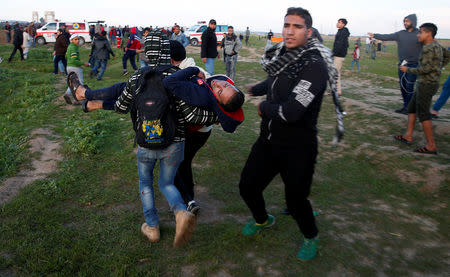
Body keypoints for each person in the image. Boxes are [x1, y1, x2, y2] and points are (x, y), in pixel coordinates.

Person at [68, 35, 244, 247]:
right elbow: (190, 117)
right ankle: (180, 212)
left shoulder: (137, 77)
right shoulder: (179, 78)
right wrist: (215, 118)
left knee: (146, 183)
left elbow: (123, 106)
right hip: (174, 143)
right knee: (166, 182)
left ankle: (152, 227)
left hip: (146, 142)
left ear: (147, 53)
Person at [239, 7, 344, 262]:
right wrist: (255, 89)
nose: (289, 30)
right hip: (268, 141)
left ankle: (311, 236)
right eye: (287, 25)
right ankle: (263, 220)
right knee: (247, 186)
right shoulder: (285, 57)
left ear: (308, 32)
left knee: (296, 201)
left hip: (298, 146)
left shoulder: (315, 66)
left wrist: (264, 107)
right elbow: (275, 81)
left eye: (297, 26)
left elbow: (293, 111)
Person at [395, 23, 450, 154]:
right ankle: (408, 135)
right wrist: (439, 66)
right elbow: (448, 56)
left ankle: (431, 145)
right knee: (412, 108)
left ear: (428, 33)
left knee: (424, 115)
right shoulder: (437, 45)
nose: (418, 35)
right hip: (427, 83)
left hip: (427, 84)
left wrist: (406, 69)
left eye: (420, 32)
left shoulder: (428, 48)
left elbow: (425, 69)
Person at [369, 14, 422, 115]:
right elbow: (387, 36)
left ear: (413, 22)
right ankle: (406, 106)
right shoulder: (400, 34)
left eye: (407, 21)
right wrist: (375, 35)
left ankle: (410, 109)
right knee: (403, 86)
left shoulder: (419, 34)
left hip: (414, 65)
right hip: (402, 65)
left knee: (409, 87)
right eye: (404, 21)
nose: (405, 23)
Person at [64, 34, 89, 104]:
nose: (77, 41)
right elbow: (74, 60)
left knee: (72, 83)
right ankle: (78, 100)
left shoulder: (69, 47)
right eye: (75, 39)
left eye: (78, 39)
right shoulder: (74, 48)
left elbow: (66, 56)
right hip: (75, 67)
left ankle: (67, 94)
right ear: (71, 40)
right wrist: (83, 63)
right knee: (80, 83)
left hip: (68, 67)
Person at [332, 18, 350, 96]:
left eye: (339, 22)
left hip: (339, 55)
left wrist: (333, 53)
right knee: (337, 73)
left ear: (343, 24)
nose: (337, 23)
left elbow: (339, 45)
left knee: (335, 73)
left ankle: (336, 91)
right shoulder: (342, 31)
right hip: (339, 55)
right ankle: (337, 91)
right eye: (337, 22)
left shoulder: (342, 33)